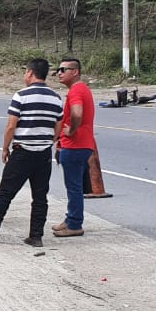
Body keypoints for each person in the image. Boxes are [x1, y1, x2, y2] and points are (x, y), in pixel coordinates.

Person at [0, 59, 62, 247]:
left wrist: (5, 147)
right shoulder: (56, 98)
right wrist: (46, 141)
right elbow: (58, 128)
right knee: (40, 197)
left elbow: (11, 126)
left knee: (5, 193)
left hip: (22, 152)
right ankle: (36, 236)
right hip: (43, 154)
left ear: (30, 73)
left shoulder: (21, 96)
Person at [53, 58, 96, 238]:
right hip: (81, 145)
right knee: (74, 185)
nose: (59, 73)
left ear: (75, 72)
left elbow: (77, 113)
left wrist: (71, 130)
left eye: (64, 69)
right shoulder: (81, 89)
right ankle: (70, 218)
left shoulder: (76, 90)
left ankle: (75, 223)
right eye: (58, 69)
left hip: (76, 146)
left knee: (74, 187)